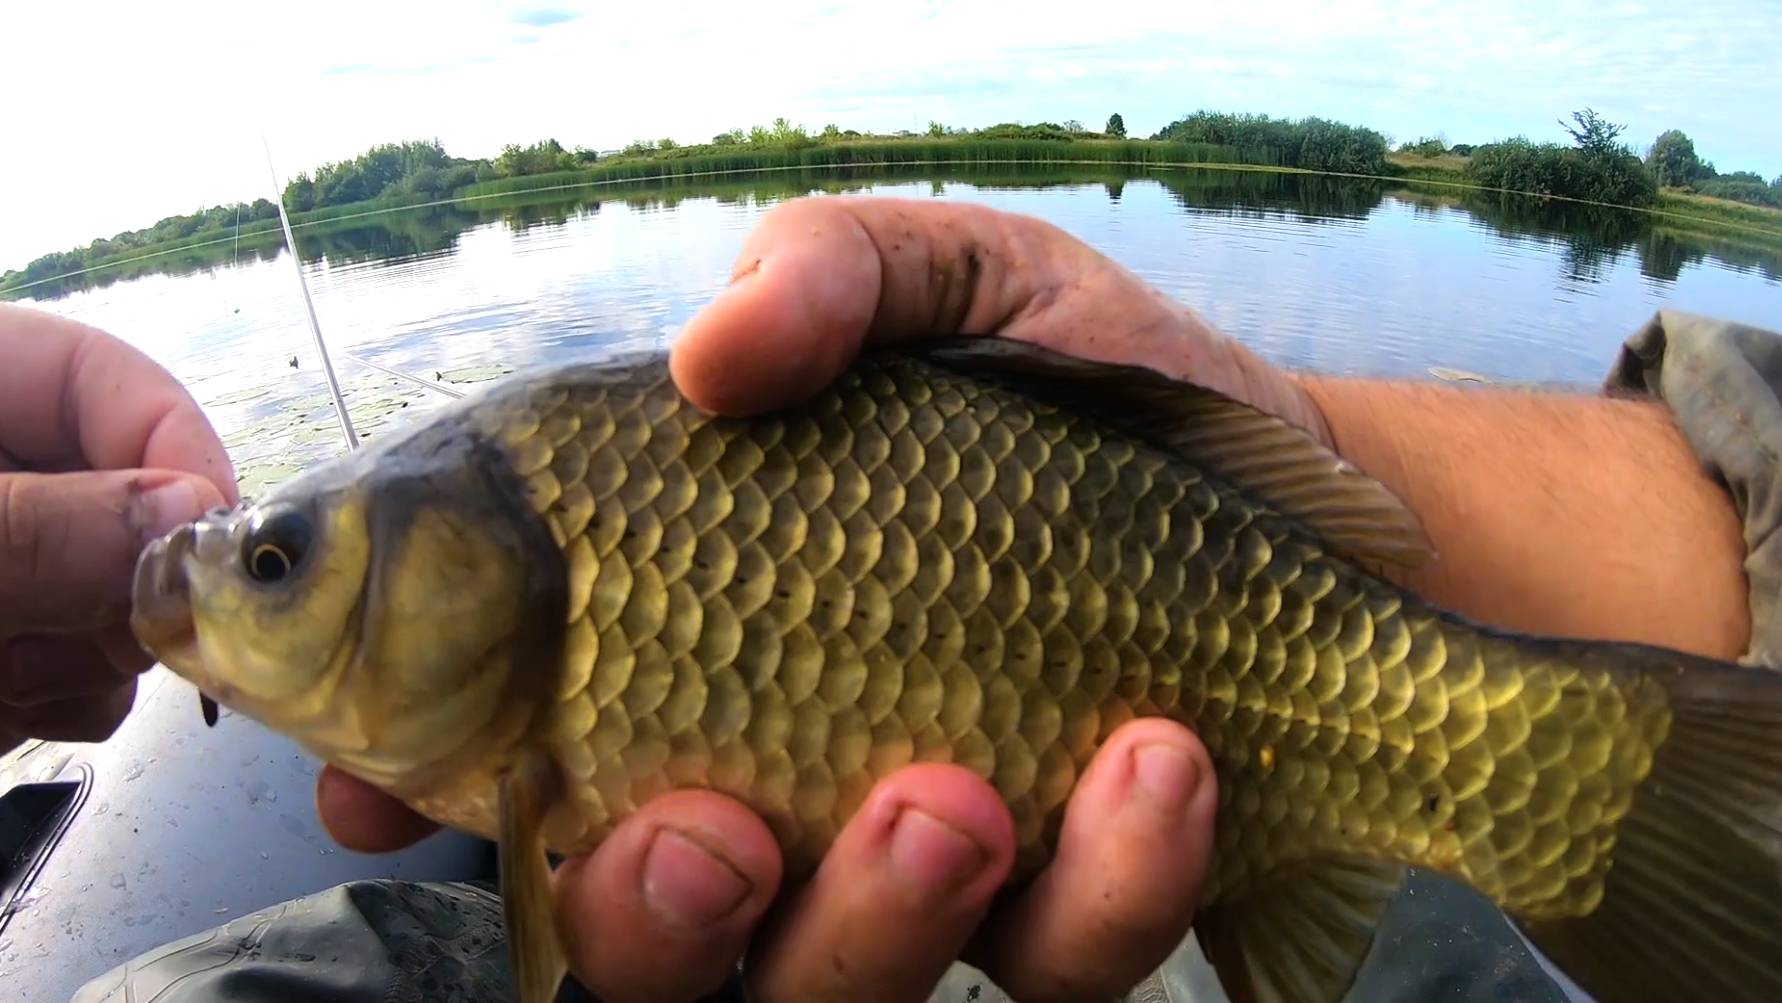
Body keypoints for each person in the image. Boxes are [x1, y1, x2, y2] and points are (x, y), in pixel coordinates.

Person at [3, 194, 1771, 1003]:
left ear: (486, 569)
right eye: (272, 561)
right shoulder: (519, 588)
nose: (240, 575)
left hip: (1217, 598)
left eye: (280, 558)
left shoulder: (544, 547)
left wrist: (1279, 437)